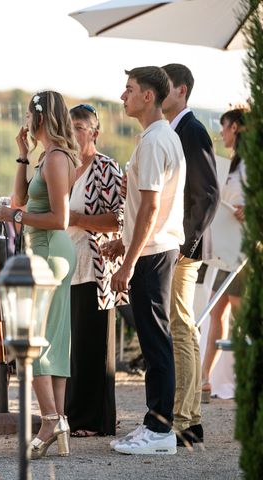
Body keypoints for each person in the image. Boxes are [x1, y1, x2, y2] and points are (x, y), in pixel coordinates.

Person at [105, 66, 186, 455]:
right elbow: (149, 204)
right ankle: (155, 424)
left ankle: (160, 431)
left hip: (153, 254)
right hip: (153, 249)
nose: (123, 96)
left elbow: (153, 207)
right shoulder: (158, 137)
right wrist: (123, 245)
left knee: (155, 342)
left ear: (148, 96)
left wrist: (128, 262)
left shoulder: (155, 141)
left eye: (129, 89)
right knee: (155, 340)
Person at [0, 90, 78, 458]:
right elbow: (19, 202)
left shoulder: (58, 159)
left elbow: (60, 218)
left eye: (29, 114)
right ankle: (58, 420)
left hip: (49, 250)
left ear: (39, 117)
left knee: (32, 338)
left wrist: (14, 218)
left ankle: (48, 420)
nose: (25, 120)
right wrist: (22, 156)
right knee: (53, 339)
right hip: (42, 249)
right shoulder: (43, 157)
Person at [161, 63, 220, 447]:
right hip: (176, 242)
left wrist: (186, 246)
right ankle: (188, 417)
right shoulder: (175, 131)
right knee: (179, 327)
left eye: (162, 87)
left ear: (180, 90)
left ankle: (185, 419)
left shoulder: (192, 130)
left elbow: (208, 194)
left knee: (182, 327)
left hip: (184, 246)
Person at [64, 104, 125, 438]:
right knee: (73, 345)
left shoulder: (105, 168)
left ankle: (93, 420)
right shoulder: (65, 165)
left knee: (93, 345)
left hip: (96, 264)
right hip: (66, 265)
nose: (73, 132)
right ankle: (73, 415)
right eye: (69, 125)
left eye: (79, 126)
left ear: (94, 132)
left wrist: (78, 220)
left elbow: (120, 219)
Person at [201, 108, 247, 402]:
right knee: (217, 311)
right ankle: (204, 379)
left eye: (225, 126)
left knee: (241, 314)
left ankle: (247, 378)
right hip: (227, 248)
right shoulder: (233, 164)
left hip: (244, 249)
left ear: (237, 128)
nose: (222, 132)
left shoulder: (252, 165)